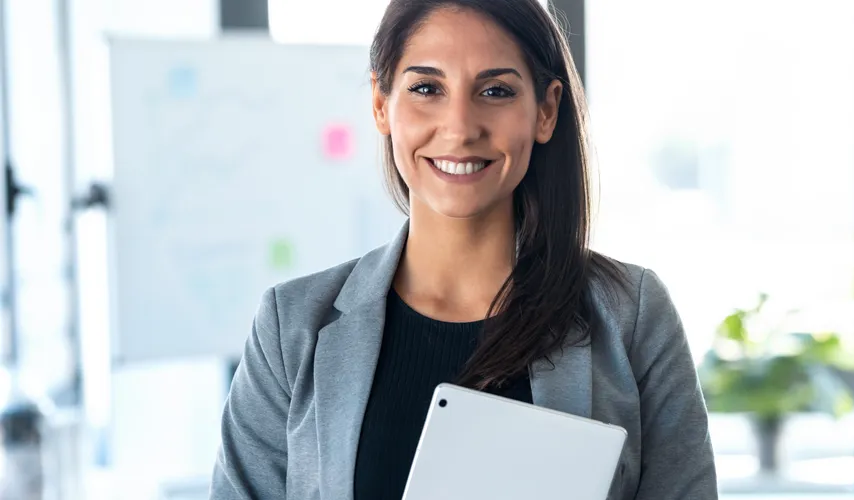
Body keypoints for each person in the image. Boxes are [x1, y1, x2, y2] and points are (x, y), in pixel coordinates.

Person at [208, 0, 717, 499]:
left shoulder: (631, 315)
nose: (458, 126)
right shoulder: (291, 325)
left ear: (545, 111)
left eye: (495, 91)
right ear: (381, 105)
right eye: (427, 88)